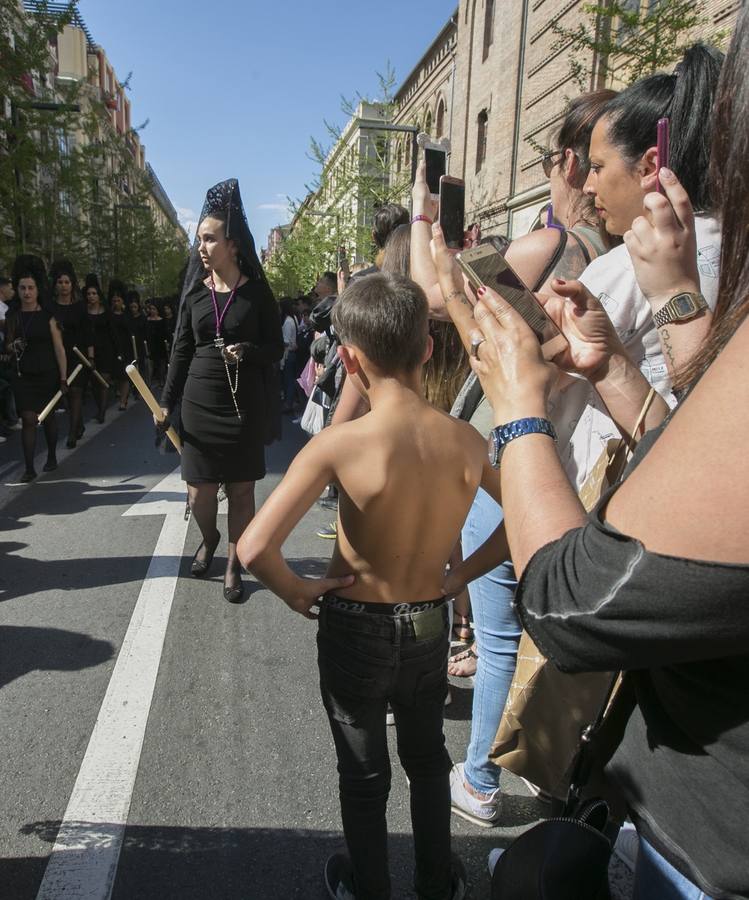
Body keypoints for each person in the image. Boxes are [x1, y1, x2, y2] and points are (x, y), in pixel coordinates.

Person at [451, 17, 749, 887]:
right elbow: (702, 452)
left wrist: (516, 408)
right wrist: (620, 363)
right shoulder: (663, 273)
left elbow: (575, 606)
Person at [237, 272, 511, 900]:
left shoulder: (339, 444)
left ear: (352, 360)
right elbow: (521, 517)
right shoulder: (466, 440)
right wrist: (459, 576)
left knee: (363, 775)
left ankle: (370, 886)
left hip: (354, 626)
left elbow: (254, 547)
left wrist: (298, 590)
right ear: (426, 350)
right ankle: (438, 882)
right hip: (427, 624)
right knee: (427, 759)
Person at [413, 90, 622, 825]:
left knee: (499, 633)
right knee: (551, 628)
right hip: (583, 465)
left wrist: (426, 224)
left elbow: (437, 304)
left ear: (566, 162)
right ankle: (555, 779)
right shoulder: (621, 256)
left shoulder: (551, 245)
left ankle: (476, 781)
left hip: (517, 456)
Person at [160, 179, 284, 603]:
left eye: (209, 239)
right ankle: (209, 536)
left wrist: (249, 351)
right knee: (199, 492)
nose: (202, 247)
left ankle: (234, 561)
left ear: (232, 245)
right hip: (198, 402)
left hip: (242, 404)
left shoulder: (257, 294)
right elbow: (180, 348)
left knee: (243, 489)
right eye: (199, 239)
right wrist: (165, 402)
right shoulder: (196, 292)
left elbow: (276, 348)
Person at [4, 264, 67, 481]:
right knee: (29, 419)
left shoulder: (49, 316)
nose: (27, 292)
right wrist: (14, 346)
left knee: (48, 418)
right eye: (22, 288)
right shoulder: (13, 316)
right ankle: (29, 467)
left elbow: (59, 348)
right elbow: (8, 347)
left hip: (48, 373)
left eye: (30, 288)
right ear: (18, 290)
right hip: (23, 375)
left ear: (37, 290)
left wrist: (63, 377)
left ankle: (51, 456)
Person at [50, 259, 92, 448]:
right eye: (60, 282)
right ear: (55, 285)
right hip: (58, 356)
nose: (64, 286)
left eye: (67, 282)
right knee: (65, 394)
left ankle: (72, 433)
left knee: (76, 392)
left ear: (72, 284)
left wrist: (90, 356)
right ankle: (79, 423)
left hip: (78, 355)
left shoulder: (80, 307)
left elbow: (88, 332)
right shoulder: (50, 307)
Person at [85, 274, 117, 423]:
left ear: (99, 295)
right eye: (89, 294)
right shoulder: (84, 313)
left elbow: (113, 333)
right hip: (89, 351)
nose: (91, 296)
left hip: (106, 350)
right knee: (94, 383)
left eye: (94, 293)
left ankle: (102, 412)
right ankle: (99, 407)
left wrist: (118, 352)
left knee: (103, 381)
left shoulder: (107, 312)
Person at [108, 280, 131, 410]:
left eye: (118, 301)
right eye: (114, 301)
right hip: (113, 348)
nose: (116, 303)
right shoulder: (109, 314)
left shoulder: (127, 315)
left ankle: (123, 401)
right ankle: (120, 394)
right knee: (116, 375)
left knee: (125, 375)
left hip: (126, 348)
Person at [279, 297, 299, 413]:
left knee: (289, 380)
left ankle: (288, 404)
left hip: (288, 354)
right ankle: (289, 401)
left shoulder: (287, 322)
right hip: (291, 353)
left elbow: (286, 341)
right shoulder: (293, 318)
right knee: (289, 379)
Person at [144, 301, 168, 388]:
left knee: (161, 363)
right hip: (150, 344)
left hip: (160, 343)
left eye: (154, 309)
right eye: (151, 309)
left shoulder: (161, 320)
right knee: (150, 364)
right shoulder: (147, 320)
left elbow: (164, 333)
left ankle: (161, 380)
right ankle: (149, 382)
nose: (152, 311)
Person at [126, 291, 147, 375]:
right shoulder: (127, 317)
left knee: (141, 366)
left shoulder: (142, 318)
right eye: (132, 307)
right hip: (129, 345)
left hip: (140, 345)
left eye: (135, 307)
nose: (133, 309)